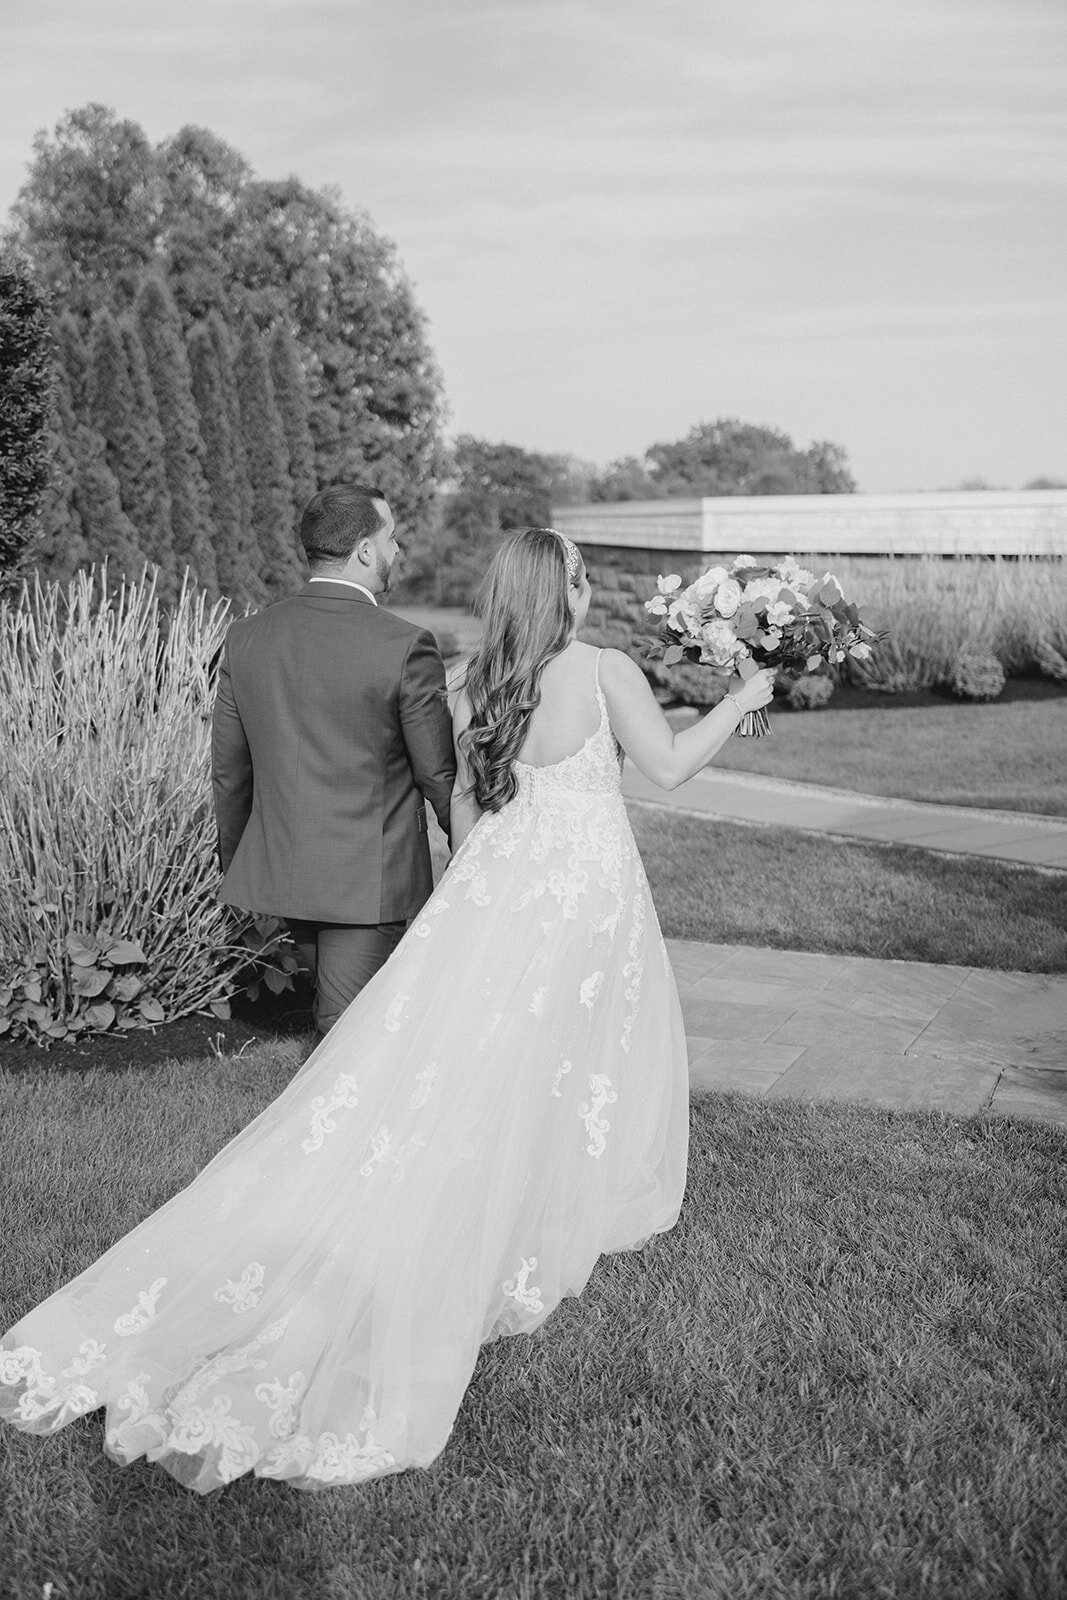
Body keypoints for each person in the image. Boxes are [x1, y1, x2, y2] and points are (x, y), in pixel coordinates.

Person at [0, 529, 775, 1494]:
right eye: (580, 578)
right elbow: (665, 767)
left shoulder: (472, 681)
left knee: (455, 1060)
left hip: (497, 891)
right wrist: (742, 699)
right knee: (560, 1056)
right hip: (580, 901)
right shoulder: (602, 669)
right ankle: (546, 1193)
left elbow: (466, 812)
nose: (585, 593)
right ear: (565, 591)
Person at [211, 482, 457, 1033]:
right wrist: (472, 847)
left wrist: (239, 865)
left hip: (285, 871)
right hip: (367, 882)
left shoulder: (247, 637)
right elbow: (437, 774)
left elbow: (230, 773)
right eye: (392, 539)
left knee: (351, 1022)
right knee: (347, 1038)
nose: (398, 552)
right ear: (366, 551)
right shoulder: (405, 645)